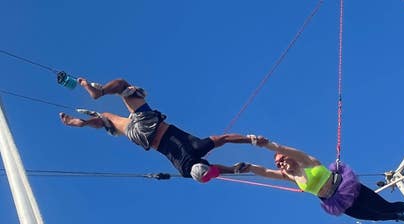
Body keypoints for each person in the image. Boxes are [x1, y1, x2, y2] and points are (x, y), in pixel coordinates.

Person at [59, 77, 262, 183]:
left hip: (150, 125)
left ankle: (99, 92)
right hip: (140, 139)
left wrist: (250, 139)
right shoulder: (183, 171)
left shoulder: (199, 148)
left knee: (122, 85)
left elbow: (224, 140)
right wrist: (233, 169)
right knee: (106, 118)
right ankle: (83, 123)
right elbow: (214, 171)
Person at [239, 136, 404, 224]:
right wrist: (247, 167)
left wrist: (266, 145)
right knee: (374, 217)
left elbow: (283, 149)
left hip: (349, 189)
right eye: (278, 164)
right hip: (337, 202)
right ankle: (398, 217)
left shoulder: (307, 161)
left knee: (385, 207)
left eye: (281, 160)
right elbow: (264, 172)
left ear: (289, 157)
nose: (280, 164)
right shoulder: (291, 177)